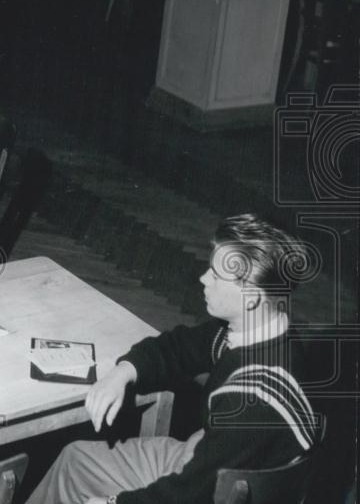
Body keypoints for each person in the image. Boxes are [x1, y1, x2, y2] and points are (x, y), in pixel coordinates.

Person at [26, 214, 322, 504]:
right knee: (75, 460)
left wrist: (113, 502)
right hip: (210, 459)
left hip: (207, 488)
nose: (203, 278)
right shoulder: (258, 331)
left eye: (216, 275)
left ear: (252, 297)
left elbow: (190, 494)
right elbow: (179, 347)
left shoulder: (250, 403)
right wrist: (124, 371)